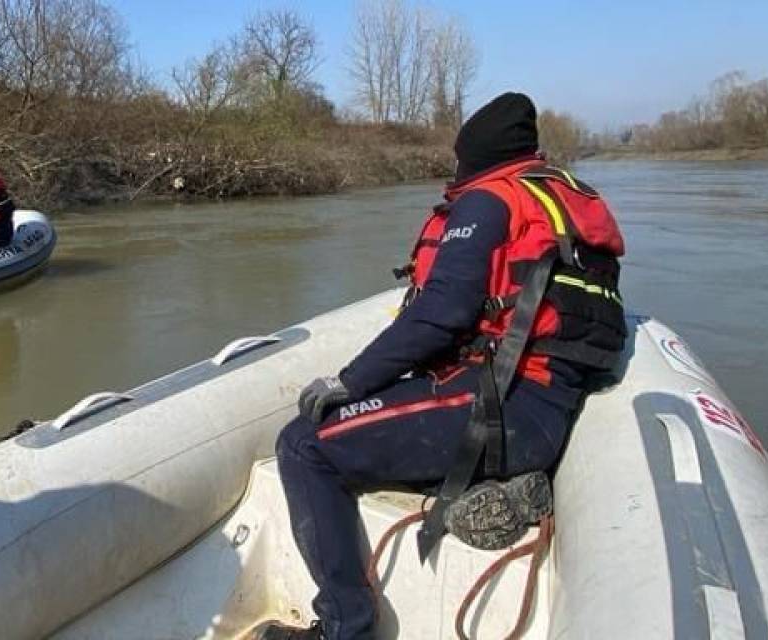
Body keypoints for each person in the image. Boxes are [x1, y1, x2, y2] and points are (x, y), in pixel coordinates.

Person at [257, 93, 627, 640]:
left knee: (303, 446)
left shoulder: (488, 201)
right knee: (371, 421)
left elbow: (440, 315)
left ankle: (345, 626)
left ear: (472, 153)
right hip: (539, 402)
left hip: (502, 409)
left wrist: (348, 381)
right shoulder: (558, 196)